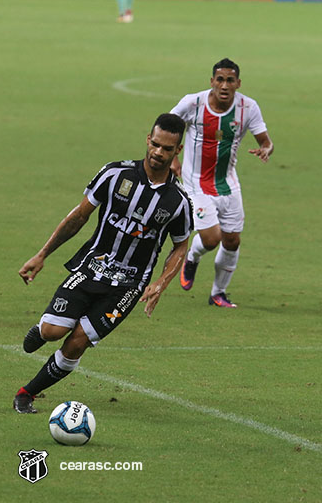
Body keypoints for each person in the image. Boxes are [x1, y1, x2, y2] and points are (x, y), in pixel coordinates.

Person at [14, 113, 193, 414]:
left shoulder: (178, 202)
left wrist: (160, 283)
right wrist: (42, 254)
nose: (159, 153)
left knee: (77, 342)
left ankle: (27, 393)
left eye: (167, 148)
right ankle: (42, 329)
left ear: (178, 150)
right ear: (148, 140)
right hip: (91, 268)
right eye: (156, 144)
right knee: (54, 332)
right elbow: (79, 217)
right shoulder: (115, 175)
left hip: (128, 286)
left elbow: (180, 246)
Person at [171, 58, 274, 308]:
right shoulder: (192, 103)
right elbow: (167, 126)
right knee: (211, 238)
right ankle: (192, 258)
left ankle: (218, 293)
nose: (224, 85)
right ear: (212, 82)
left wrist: (266, 149)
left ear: (238, 83)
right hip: (195, 184)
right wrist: (172, 159)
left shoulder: (248, 108)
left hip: (228, 184)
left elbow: (265, 140)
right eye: (220, 79)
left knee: (232, 241)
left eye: (230, 80)